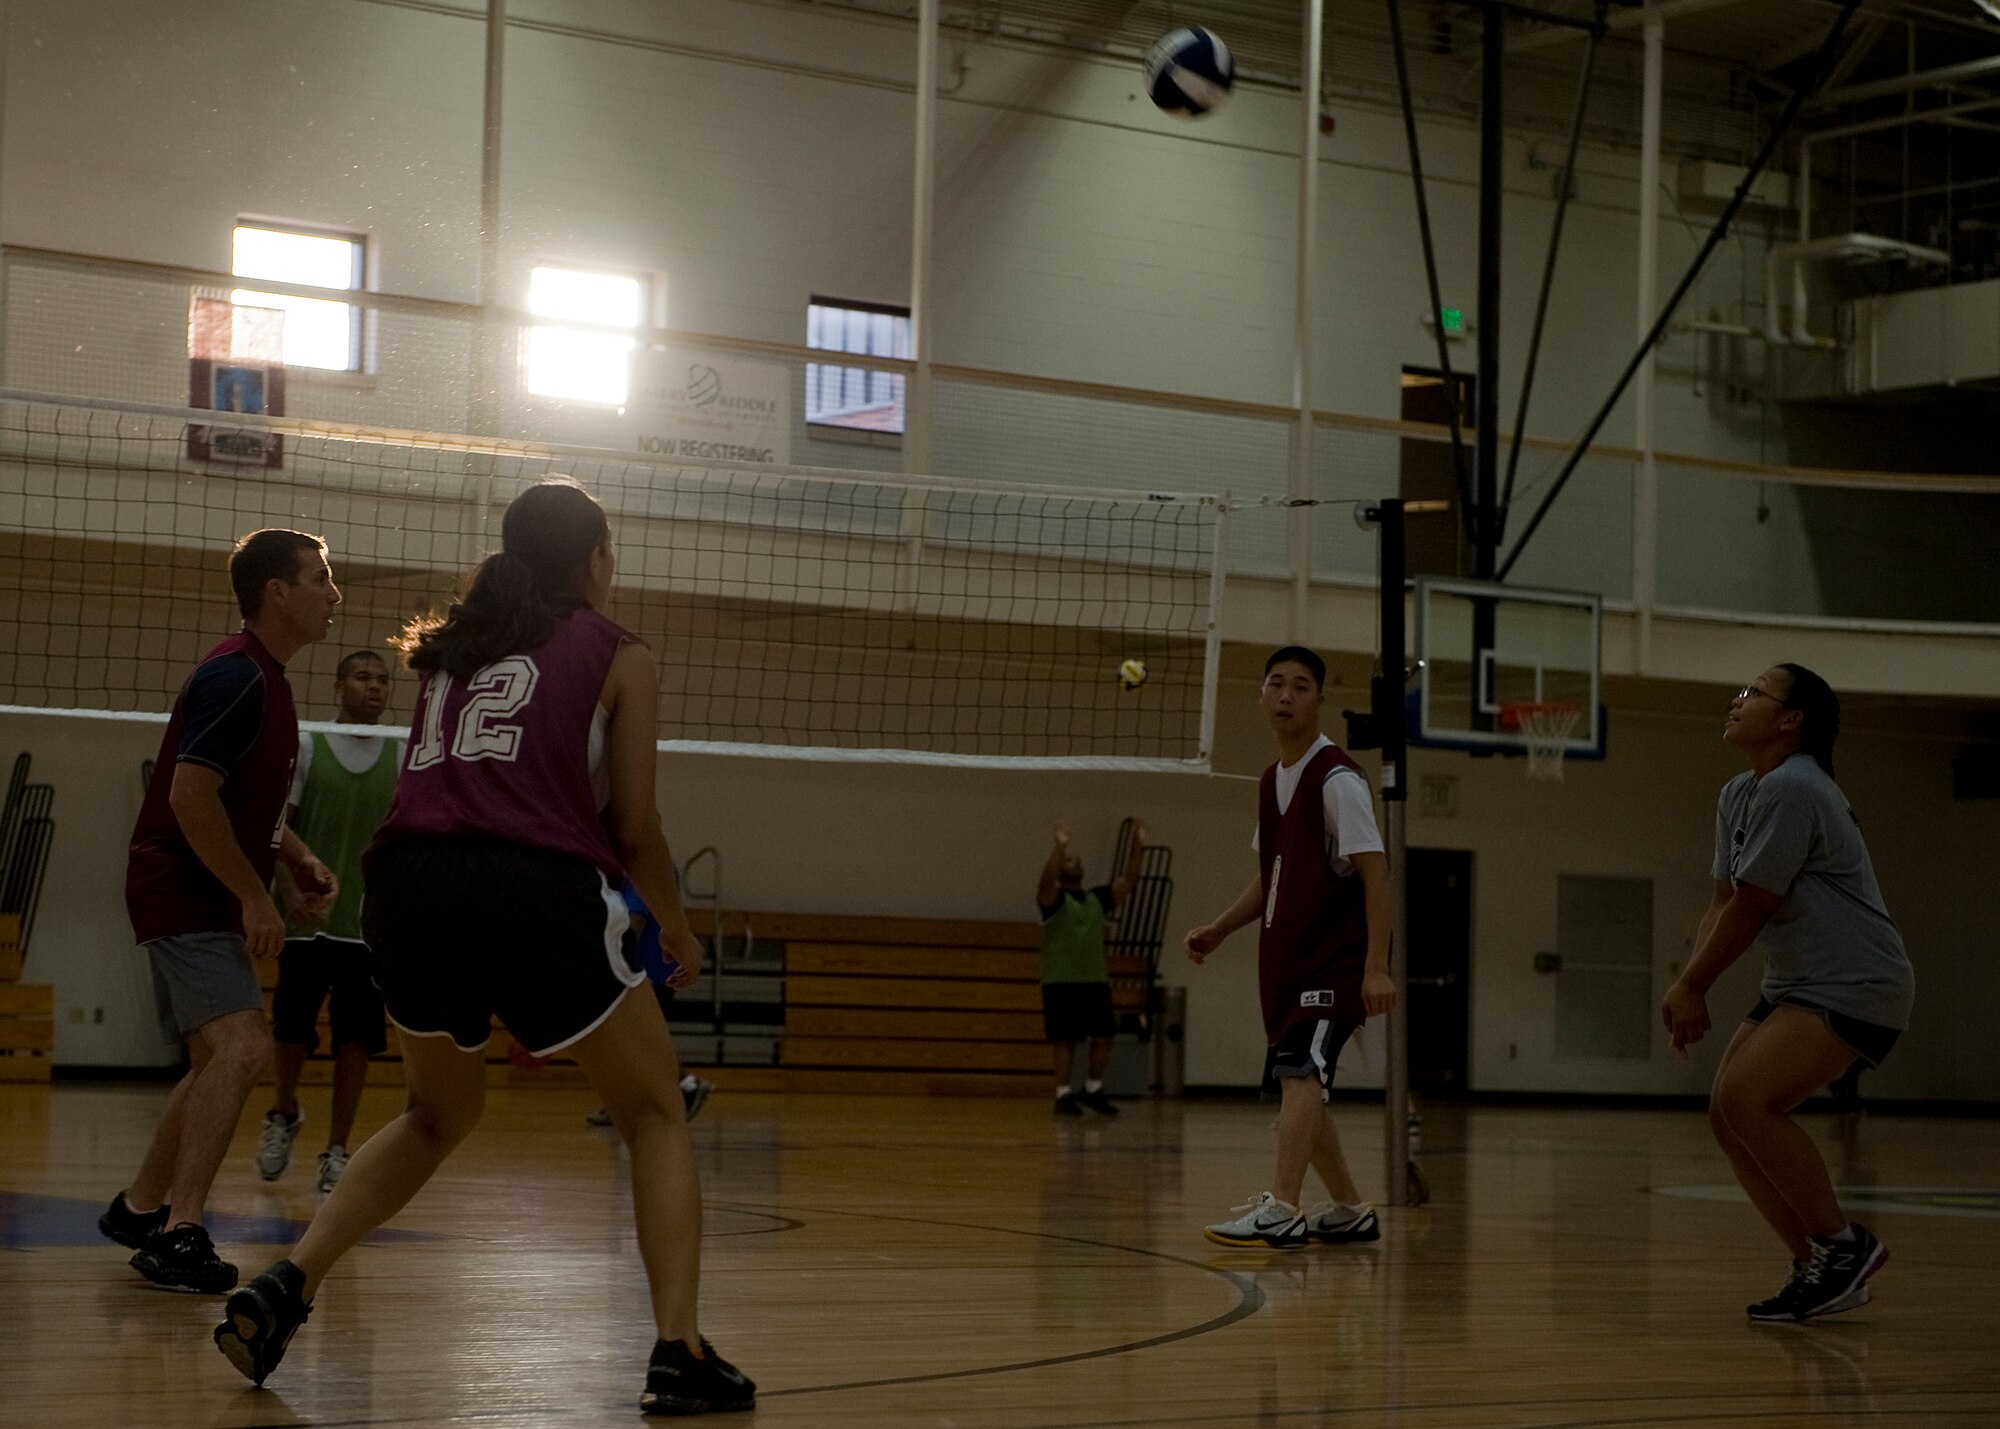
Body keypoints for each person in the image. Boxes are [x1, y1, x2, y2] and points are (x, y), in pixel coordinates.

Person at [214, 478, 755, 1416]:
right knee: (656, 1113)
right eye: (611, 552)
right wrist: (674, 924)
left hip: (409, 889)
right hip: (529, 886)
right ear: (591, 560)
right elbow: (634, 826)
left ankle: (288, 1283)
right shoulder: (617, 651)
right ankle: (680, 1351)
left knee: (435, 1115)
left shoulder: (450, 653)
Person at [101, 530, 342, 1293]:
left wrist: (293, 857)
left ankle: (140, 1208)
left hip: (200, 883)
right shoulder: (235, 676)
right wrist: (249, 894)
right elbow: (188, 796)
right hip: (183, 886)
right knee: (244, 1049)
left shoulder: (268, 680)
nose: (334, 594)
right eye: (321, 578)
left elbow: (243, 805)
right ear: (277, 590)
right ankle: (182, 1230)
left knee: (215, 1059)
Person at [1662, 664, 1915, 1324]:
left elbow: (1755, 904)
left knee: (1748, 1098)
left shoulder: (1798, 787)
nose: (1736, 698)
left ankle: (1843, 1245)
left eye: (1752, 692)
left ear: (1790, 719)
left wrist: (1695, 984)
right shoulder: (1739, 793)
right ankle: (1818, 1263)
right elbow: (1725, 898)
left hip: (1857, 981)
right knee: (1727, 1112)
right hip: (1798, 983)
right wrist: (1688, 984)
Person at [1184, 645, 1395, 1250]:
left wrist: (1376, 967)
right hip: (1288, 959)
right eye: (1276, 684)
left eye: (1301, 686)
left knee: (1303, 1072)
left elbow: (1377, 874)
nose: (1286, 695)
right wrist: (1222, 927)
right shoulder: (1272, 780)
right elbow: (1270, 873)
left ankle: (1282, 1209)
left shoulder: (1338, 780)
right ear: (1260, 696)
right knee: (1301, 1085)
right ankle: (1350, 1210)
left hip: (1336, 958)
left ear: (1319, 701)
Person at [256, 650, 401, 1193]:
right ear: (339, 686)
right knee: (291, 1031)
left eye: (383, 680)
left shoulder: (402, 752)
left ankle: (338, 1149)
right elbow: (275, 830)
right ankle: (283, 1114)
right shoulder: (309, 744)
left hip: (365, 926)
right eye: (363, 677)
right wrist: (289, 894)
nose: (375, 687)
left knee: (357, 1040)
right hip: (307, 921)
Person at [1036, 820, 1146, 1116]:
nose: (1075, 862)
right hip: (1060, 981)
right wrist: (1060, 847)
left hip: (1094, 981)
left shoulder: (1097, 899)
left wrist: (1138, 844)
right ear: (1061, 869)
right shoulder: (1053, 900)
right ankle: (1062, 1095)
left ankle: (1094, 1089)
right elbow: (1046, 880)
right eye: (1069, 860)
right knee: (1066, 1040)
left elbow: (1130, 880)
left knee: (1104, 1036)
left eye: (1076, 859)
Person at [586, 879, 714, 1128]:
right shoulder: (628, 872)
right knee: (631, 1040)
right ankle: (629, 1101)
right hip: (646, 969)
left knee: (638, 1040)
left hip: (649, 972)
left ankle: (686, 1084)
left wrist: (608, 957)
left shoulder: (636, 874)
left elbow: (633, 924)